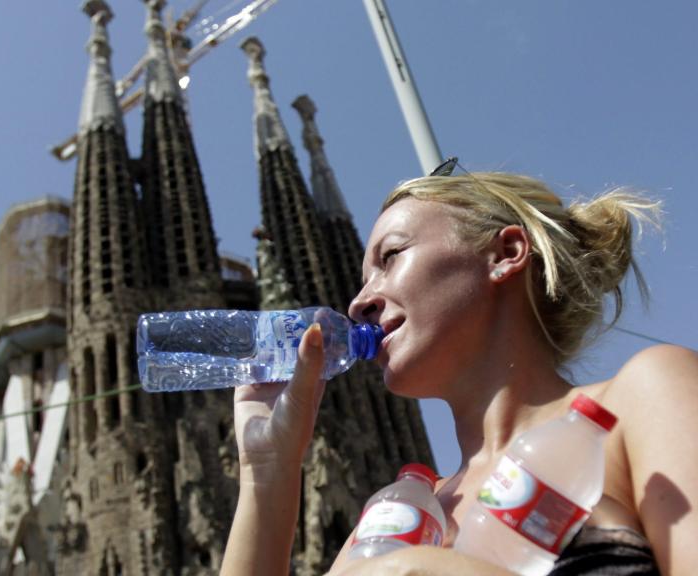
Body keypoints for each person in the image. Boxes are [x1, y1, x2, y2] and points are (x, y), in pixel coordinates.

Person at [220, 171, 698, 575]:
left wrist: (428, 568)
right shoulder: (406, 510)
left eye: (390, 257)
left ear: (506, 253)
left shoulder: (638, 399)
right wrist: (267, 470)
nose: (358, 303)